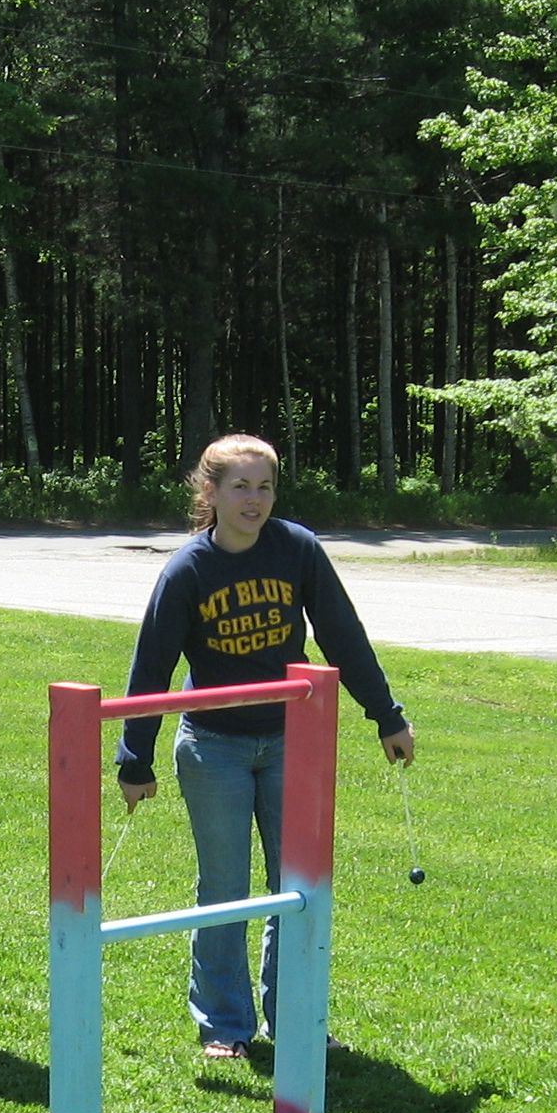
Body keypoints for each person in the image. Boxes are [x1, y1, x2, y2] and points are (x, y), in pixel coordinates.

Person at [115, 434, 413, 1059]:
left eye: (265, 486)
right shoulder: (188, 570)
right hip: (212, 747)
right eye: (241, 487)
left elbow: (342, 634)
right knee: (224, 889)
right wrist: (133, 757)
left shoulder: (296, 549)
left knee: (296, 885)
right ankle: (224, 1026)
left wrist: (386, 715)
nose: (254, 500)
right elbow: (152, 665)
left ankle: (295, 1017)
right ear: (212, 492)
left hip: (291, 741)